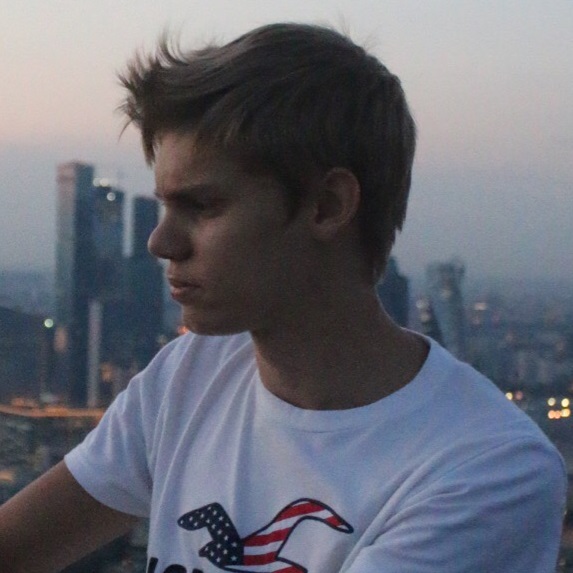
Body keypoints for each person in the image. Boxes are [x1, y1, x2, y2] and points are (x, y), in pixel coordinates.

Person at [0, 23, 566, 573]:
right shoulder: (188, 377)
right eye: (165, 206)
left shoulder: (484, 471)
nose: (160, 242)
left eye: (202, 206)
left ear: (327, 206)